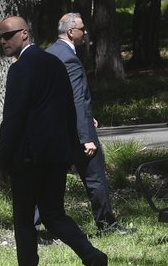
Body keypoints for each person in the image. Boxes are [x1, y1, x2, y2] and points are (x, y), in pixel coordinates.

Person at [0, 16, 108, 266]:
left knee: (23, 220)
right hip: (56, 156)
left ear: (25, 34)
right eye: (0, 37)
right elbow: (69, 109)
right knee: (54, 214)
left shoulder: (20, 69)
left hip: (29, 157)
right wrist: (71, 148)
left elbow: (14, 119)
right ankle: (91, 256)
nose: (3, 42)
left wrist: (0, 162)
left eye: (8, 35)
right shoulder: (54, 63)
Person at [44, 13, 133, 236]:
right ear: (71, 32)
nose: (86, 33)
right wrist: (86, 136)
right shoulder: (70, 59)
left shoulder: (49, 54)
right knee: (95, 178)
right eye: (83, 29)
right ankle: (107, 224)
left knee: (50, 181)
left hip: (56, 130)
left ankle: (36, 227)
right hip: (76, 134)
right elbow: (77, 98)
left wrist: (85, 117)